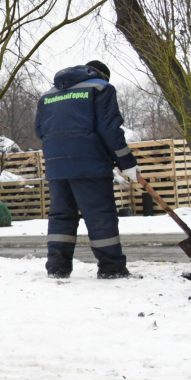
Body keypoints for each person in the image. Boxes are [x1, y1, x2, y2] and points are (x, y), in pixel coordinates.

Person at [35, 60, 138, 279]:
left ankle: (57, 268)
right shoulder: (101, 88)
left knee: (62, 216)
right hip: (89, 165)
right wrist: (126, 163)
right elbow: (109, 129)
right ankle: (111, 268)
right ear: (102, 75)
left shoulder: (48, 95)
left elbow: (40, 130)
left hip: (56, 165)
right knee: (100, 215)